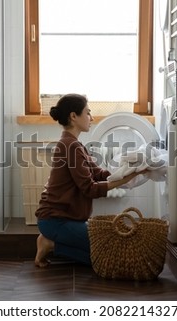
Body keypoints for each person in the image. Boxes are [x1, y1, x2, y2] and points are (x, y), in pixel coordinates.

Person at [34, 93, 146, 267]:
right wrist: (126, 179)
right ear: (73, 116)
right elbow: (90, 189)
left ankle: (52, 244)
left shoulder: (76, 145)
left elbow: (99, 173)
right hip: (55, 220)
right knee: (106, 258)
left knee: (105, 254)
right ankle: (51, 244)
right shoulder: (70, 146)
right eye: (87, 112)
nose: (91, 117)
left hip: (66, 219)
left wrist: (130, 170)